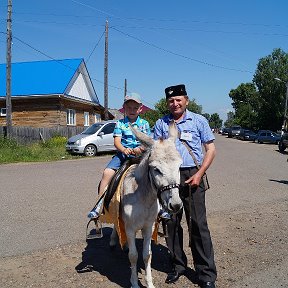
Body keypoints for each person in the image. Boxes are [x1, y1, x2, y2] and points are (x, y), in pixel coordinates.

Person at [153, 84, 217, 288]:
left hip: (192, 175)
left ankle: (206, 274)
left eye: (178, 99)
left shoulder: (199, 120)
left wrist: (200, 174)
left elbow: (211, 150)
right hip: (169, 177)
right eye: (171, 101)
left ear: (186, 101)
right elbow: (156, 151)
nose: (175, 103)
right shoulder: (161, 124)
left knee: (198, 225)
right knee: (170, 224)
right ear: (167, 103)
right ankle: (178, 265)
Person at [87, 92, 170, 220]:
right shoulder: (120, 124)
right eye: (129, 107)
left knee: (155, 174)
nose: (132, 110)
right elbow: (117, 141)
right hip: (122, 155)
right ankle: (99, 205)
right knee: (107, 173)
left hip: (141, 155)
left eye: (135, 108)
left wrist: (140, 148)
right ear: (124, 108)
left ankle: (160, 207)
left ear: (140, 109)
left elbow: (148, 141)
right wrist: (123, 149)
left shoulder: (144, 124)